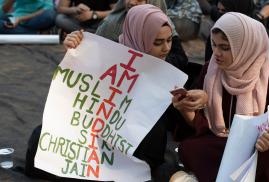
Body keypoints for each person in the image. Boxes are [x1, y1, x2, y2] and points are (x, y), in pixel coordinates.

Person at [26, 4, 181, 181]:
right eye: (158, 42)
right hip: (99, 132)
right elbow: (84, 90)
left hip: (138, 144)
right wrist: (75, 52)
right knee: (41, 138)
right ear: (139, 37)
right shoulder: (112, 54)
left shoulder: (168, 70)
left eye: (170, 40)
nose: (167, 48)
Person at [171, 12, 269, 181]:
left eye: (225, 47)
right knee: (191, 148)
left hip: (265, 147)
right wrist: (187, 108)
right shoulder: (211, 70)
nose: (217, 53)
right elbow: (205, 127)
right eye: (214, 45)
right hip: (225, 140)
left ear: (245, 46)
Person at [67, 0, 188, 73]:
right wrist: (76, 47)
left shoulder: (164, 25)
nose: (131, 2)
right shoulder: (111, 26)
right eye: (157, 42)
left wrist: (152, 63)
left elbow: (181, 60)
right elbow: (94, 62)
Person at [204, 0, 269, 63]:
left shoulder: (258, 41)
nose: (216, 53)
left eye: (224, 47)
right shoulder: (216, 34)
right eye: (219, 11)